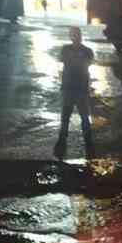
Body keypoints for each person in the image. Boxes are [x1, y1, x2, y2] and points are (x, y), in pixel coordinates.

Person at [54, 27, 94, 159]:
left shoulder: (87, 51)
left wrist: (74, 60)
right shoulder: (67, 49)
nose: (75, 37)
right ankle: (63, 140)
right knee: (66, 116)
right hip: (69, 88)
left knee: (83, 117)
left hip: (79, 89)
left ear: (80, 36)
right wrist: (77, 61)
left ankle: (87, 141)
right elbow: (65, 60)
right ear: (71, 36)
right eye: (73, 34)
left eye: (76, 34)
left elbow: (84, 63)